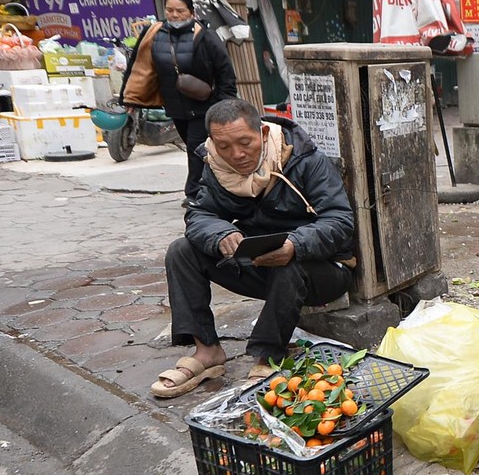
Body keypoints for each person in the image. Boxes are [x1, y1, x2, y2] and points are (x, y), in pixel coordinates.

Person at [152, 97, 355, 397]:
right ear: (213, 143)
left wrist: (295, 244)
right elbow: (199, 215)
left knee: (290, 264)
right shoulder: (216, 167)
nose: (236, 154)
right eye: (224, 146)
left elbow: (340, 221)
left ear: (263, 132)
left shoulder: (304, 159)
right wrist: (222, 234)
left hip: (321, 270)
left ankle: (268, 356)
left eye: (245, 143)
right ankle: (207, 351)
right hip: (260, 264)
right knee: (182, 251)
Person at [118, 0, 237, 197]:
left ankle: (194, 194)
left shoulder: (205, 36)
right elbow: (140, 68)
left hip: (203, 106)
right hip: (175, 106)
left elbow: (225, 73)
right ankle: (213, 189)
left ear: (191, 12)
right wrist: (130, 99)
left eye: (180, 11)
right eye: (170, 10)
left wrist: (225, 105)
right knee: (195, 149)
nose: (174, 15)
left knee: (195, 148)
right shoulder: (155, 34)